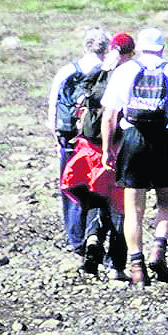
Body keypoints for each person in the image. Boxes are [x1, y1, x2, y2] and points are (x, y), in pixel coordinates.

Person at [101, 28, 168, 287]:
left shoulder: (124, 71)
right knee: (167, 203)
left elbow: (109, 117)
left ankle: (137, 267)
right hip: (163, 140)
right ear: (162, 48)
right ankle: (158, 249)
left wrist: (107, 150)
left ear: (139, 48)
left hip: (133, 140)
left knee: (134, 209)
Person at [60, 33, 132, 280]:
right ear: (131, 53)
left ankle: (92, 240)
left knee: (96, 198)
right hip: (120, 149)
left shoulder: (96, 73)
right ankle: (116, 266)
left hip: (91, 148)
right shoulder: (130, 74)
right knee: (121, 206)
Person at [48, 27, 109, 251]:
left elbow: (53, 107)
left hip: (69, 139)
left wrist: (57, 139)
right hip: (97, 142)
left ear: (85, 46)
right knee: (99, 189)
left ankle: (76, 241)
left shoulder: (66, 71)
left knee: (71, 190)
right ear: (106, 49)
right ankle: (96, 237)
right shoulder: (108, 74)